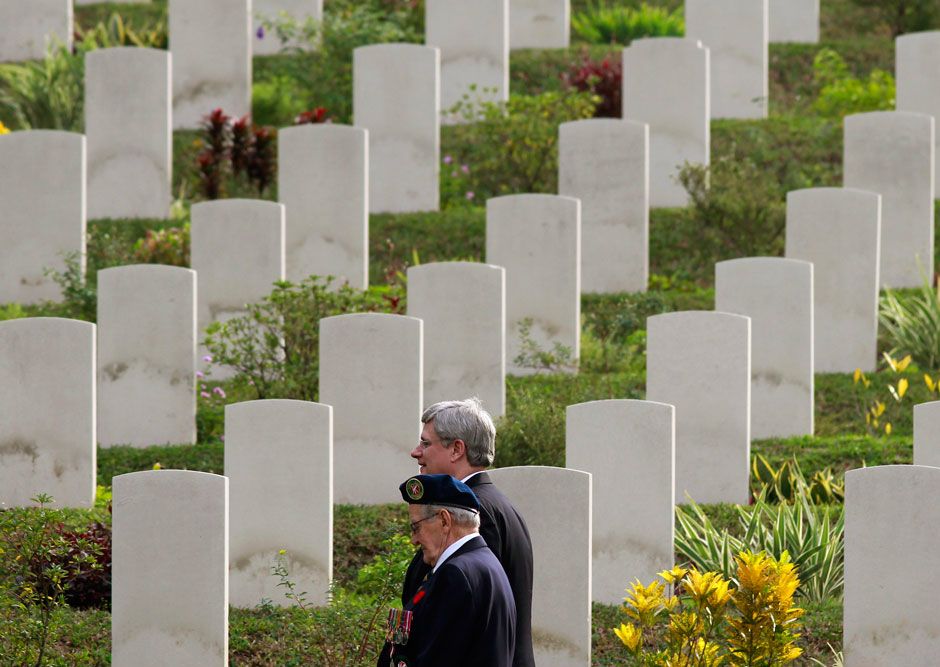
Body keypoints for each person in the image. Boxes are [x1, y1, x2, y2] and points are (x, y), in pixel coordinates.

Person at [402, 398, 535, 667]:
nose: (416, 452)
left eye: (426, 443)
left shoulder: (474, 510)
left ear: (456, 449)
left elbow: (468, 609)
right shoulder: (494, 501)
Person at [379, 474, 516, 667]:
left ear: (444, 520)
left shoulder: (456, 574)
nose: (414, 540)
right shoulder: (485, 563)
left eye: (416, 527)